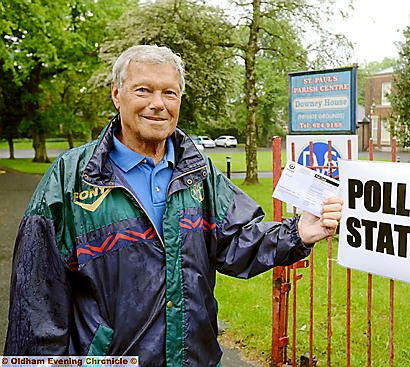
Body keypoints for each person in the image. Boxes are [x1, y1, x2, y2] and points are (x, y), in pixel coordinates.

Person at [4, 45, 343, 366]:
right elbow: (37, 304)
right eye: (143, 90)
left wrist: (299, 231)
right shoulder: (71, 179)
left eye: (169, 92)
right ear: (116, 94)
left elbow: (236, 240)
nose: (158, 104)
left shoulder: (198, 171)